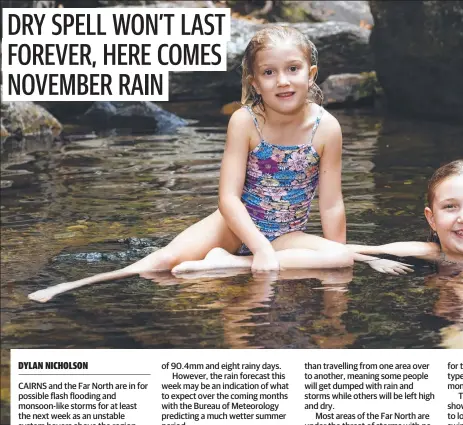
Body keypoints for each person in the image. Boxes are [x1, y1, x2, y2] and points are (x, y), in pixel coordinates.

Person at [28, 26, 407, 304]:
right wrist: (258, 247)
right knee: (161, 262)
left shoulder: (327, 128)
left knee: (339, 257)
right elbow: (228, 198)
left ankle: (222, 265)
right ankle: (69, 287)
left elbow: (331, 204)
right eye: (269, 73)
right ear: (255, 82)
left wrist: (336, 261)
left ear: (310, 74)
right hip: (234, 223)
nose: (283, 81)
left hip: (286, 233)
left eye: (293, 69)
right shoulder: (245, 121)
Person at [348, 159, 463, 266]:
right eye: (450, 207)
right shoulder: (427, 253)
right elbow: (338, 249)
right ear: (431, 218)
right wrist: (370, 259)